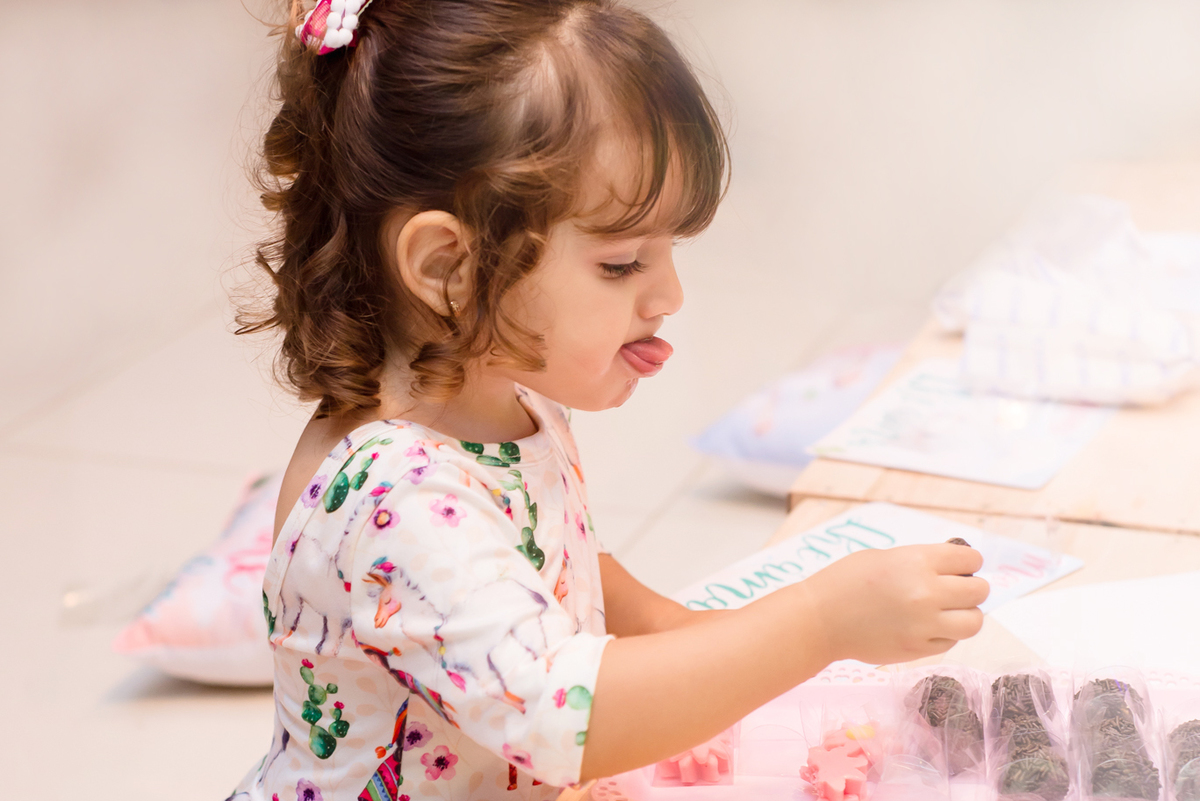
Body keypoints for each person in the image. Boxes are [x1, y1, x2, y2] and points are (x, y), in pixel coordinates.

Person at [229, 1, 990, 799]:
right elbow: (562, 719)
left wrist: (683, 630)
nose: (669, 295)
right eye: (623, 264)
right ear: (448, 267)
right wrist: (817, 622)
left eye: (668, 251)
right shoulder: (396, 494)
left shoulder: (503, 398)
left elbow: (561, 564)